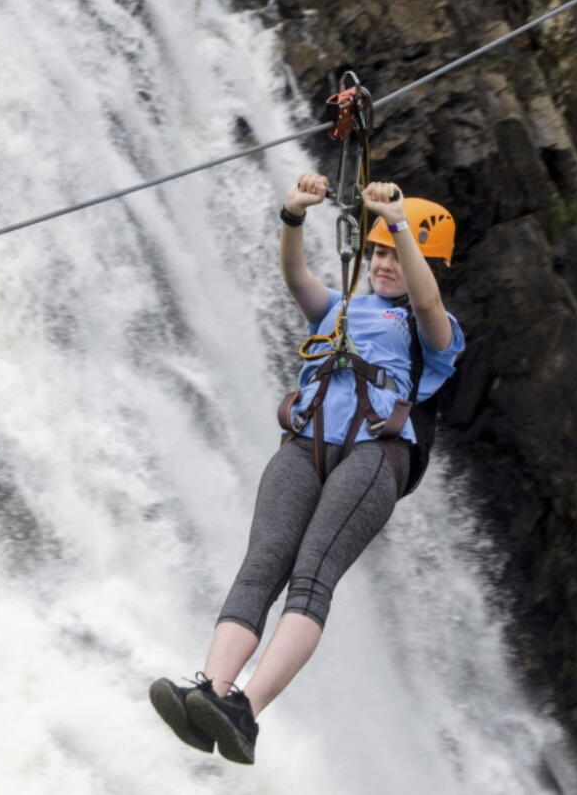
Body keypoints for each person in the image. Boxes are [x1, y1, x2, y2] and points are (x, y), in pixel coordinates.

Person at [149, 172, 466, 764]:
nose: (383, 262)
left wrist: (398, 223)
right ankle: (211, 694)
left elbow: (426, 302)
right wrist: (293, 216)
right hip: (304, 444)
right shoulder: (340, 308)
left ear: (425, 260)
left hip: (375, 456)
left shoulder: (436, 331)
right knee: (260, 568)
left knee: (312, 575)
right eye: (376, 251)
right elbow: (296, 278)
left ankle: (247, 710)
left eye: (394, 254)